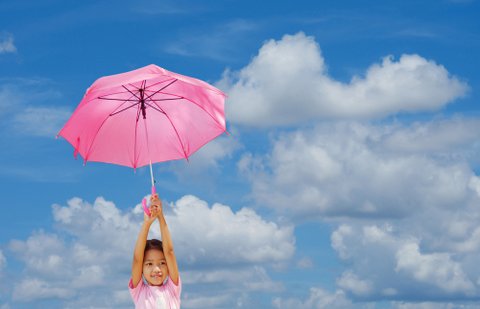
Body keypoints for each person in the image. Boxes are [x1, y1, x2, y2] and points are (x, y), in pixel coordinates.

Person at [129, 193, 181, 309]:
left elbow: (169, 252)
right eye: (149, 264)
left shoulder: (173, 289)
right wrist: (147, 224)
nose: (156, 269)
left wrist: (160, 216)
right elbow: (137, 259)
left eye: (162, 263)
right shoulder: (139, 292)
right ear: (141, 269)